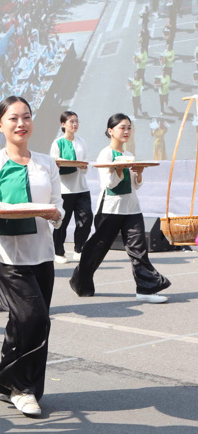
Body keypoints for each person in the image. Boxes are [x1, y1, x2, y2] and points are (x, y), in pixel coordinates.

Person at [0, 96, 63, 418]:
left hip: (41, 253)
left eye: (26, 117)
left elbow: (57, 206)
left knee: (21, 323)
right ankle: (23, 388)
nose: (21, 124)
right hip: (6, 255)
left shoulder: (46, 163)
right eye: (13, 119)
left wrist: (55, 215)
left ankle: (2, 382)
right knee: (34, 318)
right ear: (0, 126)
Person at [69, 114, 172, 303]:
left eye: (129, 128)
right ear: (110, 131)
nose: (126, 131)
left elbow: (135, 185)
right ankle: (80, 280)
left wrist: (139, 175)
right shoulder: (106, 154)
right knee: (97, 249)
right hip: (110, 209)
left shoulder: (128, 155)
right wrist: (118, 170)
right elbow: (109, 184)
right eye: (122, 127)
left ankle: (146, 289)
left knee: (138, 248)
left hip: (132, 208)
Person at [49, 111, 92, 263]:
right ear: (63, 124)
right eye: (71, 121)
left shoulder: (82, 142)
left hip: (81, 187)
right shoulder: (57, 143)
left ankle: (79, 249)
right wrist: (61, 164)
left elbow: (86, 163)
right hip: (64, 189)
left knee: (86, 219)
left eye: (76, 121)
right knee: (62, 221)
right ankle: (59, 252)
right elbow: (54, 166)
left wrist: (81, 165)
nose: (74, 124)